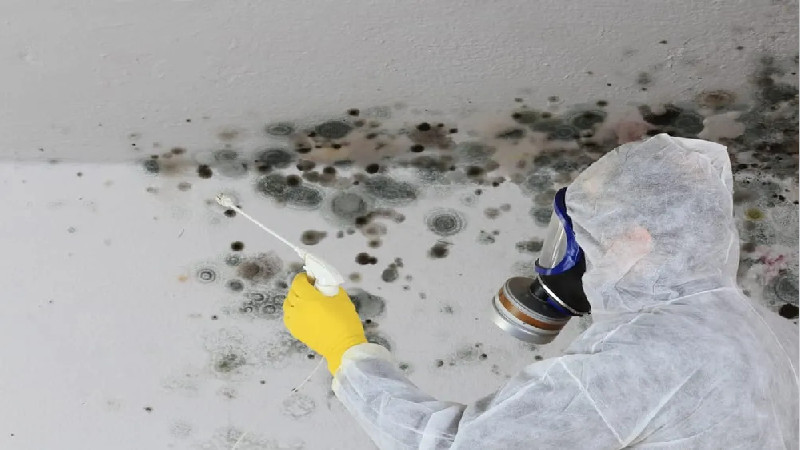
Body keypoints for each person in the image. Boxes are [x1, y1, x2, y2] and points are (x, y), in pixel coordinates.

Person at [282, 134, 799, 449]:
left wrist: (347, 352)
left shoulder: (647, 352)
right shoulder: (752, 333)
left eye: (585, 233)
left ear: (635, 239)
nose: (569, 255)